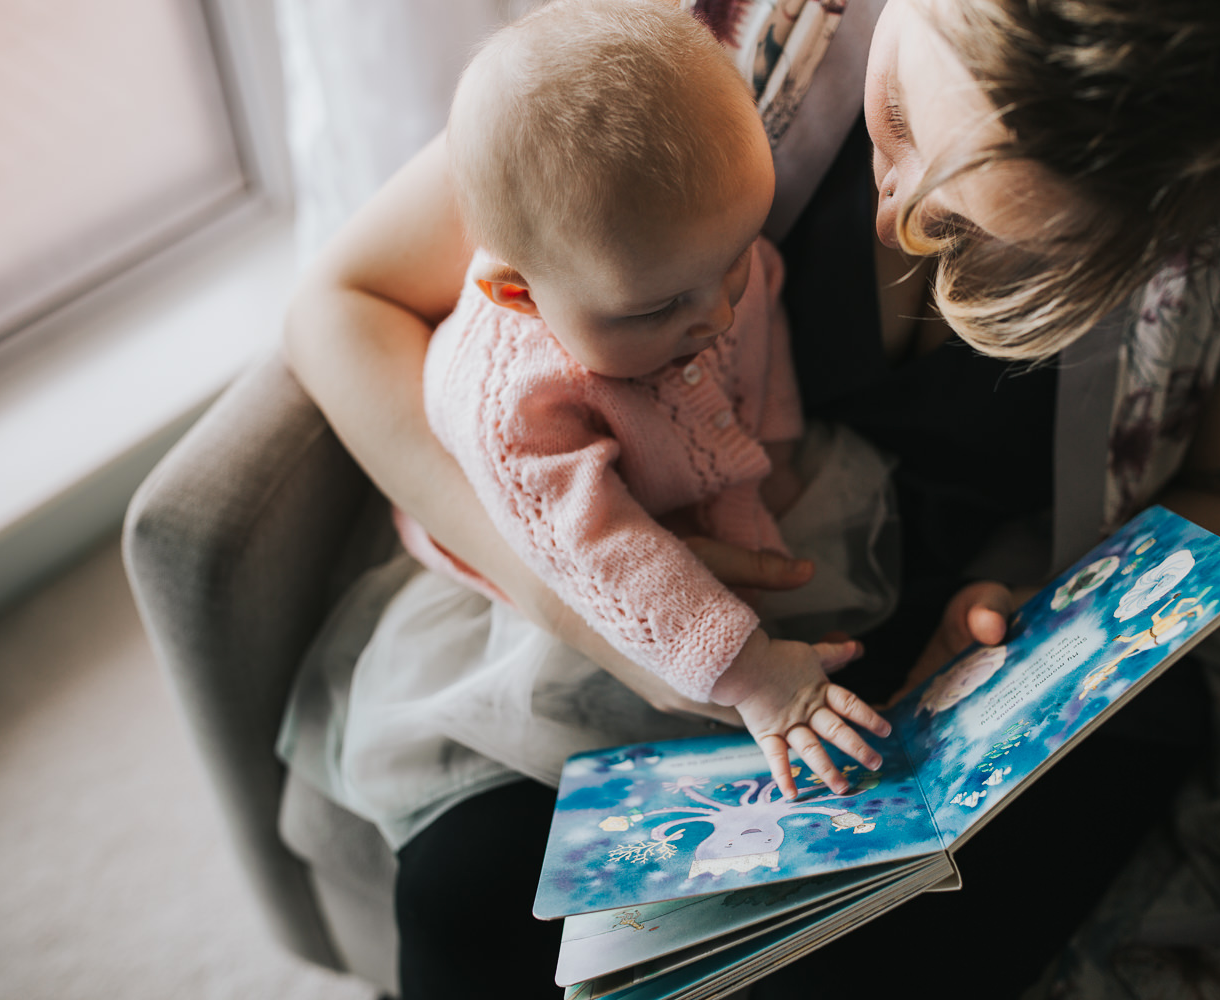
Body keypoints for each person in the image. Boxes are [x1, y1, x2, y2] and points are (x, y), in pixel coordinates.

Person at [280, 0, 1220, 995]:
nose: (899, 222)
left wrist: (1041, 616)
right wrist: (601, 603)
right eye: (907, 125)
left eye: (1012, 238)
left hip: (999, 623)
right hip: (658, 589)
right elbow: (347, 299)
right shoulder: (712, 37)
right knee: (472, 896)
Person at [335, 0, 893, 828]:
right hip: (555, 570)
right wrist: (747, 672)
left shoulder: (706, 255)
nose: (713, 316)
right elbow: (596, 550)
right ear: (519, 294)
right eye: (659, 308)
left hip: (683, 499)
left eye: (730, 261)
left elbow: (761, 320)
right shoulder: (512, 405)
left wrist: (770, 457)